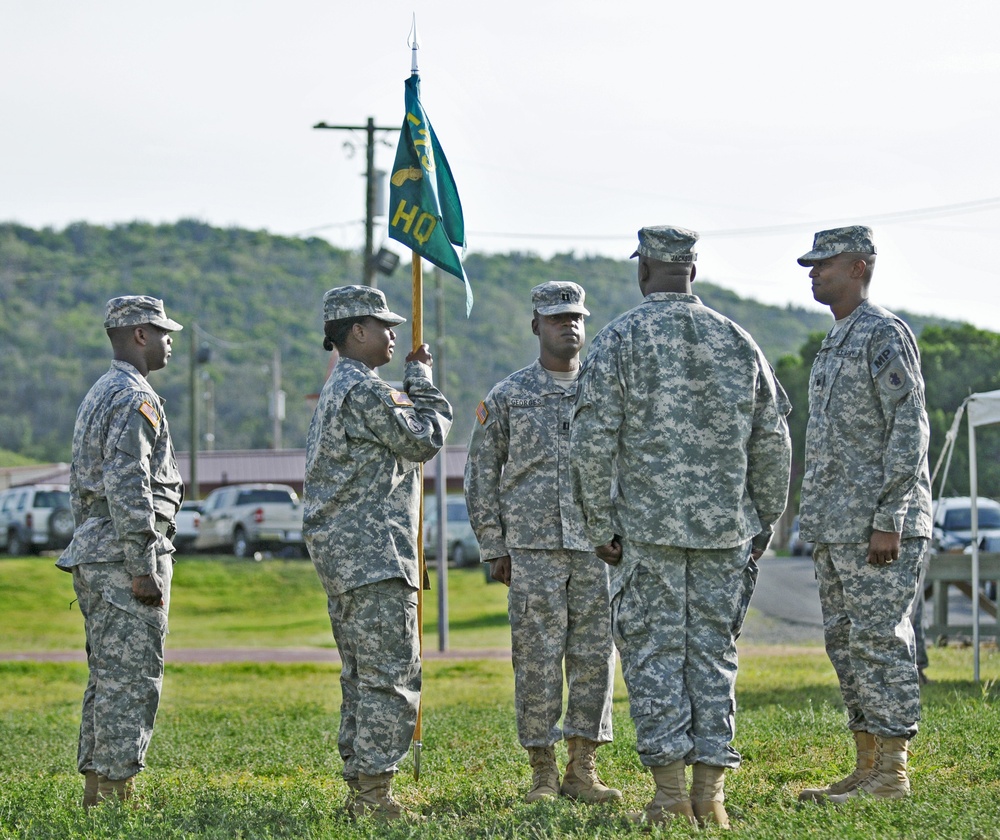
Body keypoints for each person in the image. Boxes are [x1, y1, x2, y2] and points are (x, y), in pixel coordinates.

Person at [570, 226, 792, 828]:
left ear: (645, 270)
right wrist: (763, 518)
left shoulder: (618, 340)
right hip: (725, 532)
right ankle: (710, 796)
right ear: (691, 270)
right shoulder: (737, 340)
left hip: (647, 532)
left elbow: (590, 443)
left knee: (653, 656)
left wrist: (598, 525)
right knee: (715, 656)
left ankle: (669, 795)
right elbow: (773, 441)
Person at [464, 281, 619, 805]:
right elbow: (481, 473)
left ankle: (583, 767)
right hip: (533, 551)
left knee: (595, 657)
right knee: (536, 659)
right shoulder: (509, 396)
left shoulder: (605, 391)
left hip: (599, 548)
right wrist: (494, 544)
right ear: (536, 326)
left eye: (575, 317)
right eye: (556, 318)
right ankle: (543, 772)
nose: (568, 325)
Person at [303, 285, 452, 821]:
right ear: (355, 332)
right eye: (384, 325)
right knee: (390, 673)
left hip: (352, 556)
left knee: (363, 675)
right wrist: (423, 384)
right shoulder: (364, 389)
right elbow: (423, 439)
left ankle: (363, 789)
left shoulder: (341, 387)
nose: (394, 334)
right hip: (374, 554)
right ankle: (373, 797)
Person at [794, 226, 932, 803]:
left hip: (879, 526)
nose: (812, 272)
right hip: (835, 526)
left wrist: (890, 515)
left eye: (824, 263)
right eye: (811, 264)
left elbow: (910, 425)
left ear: (859, 266)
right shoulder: (836, 340)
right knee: (847, 643)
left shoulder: (882, 334)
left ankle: (893, 775)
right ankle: (867, 765)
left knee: (879, 641)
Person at [57, 296, 184, 809]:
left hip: (99, 551)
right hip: (121, 557)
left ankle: (100, 789)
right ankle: (114, 796)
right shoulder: (133, 396)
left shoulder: (102, 391)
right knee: (131, 678)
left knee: (110, 676)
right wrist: (142, 564)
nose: (169, 340)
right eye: (162, 331)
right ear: (138, 335)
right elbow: (128, 481)